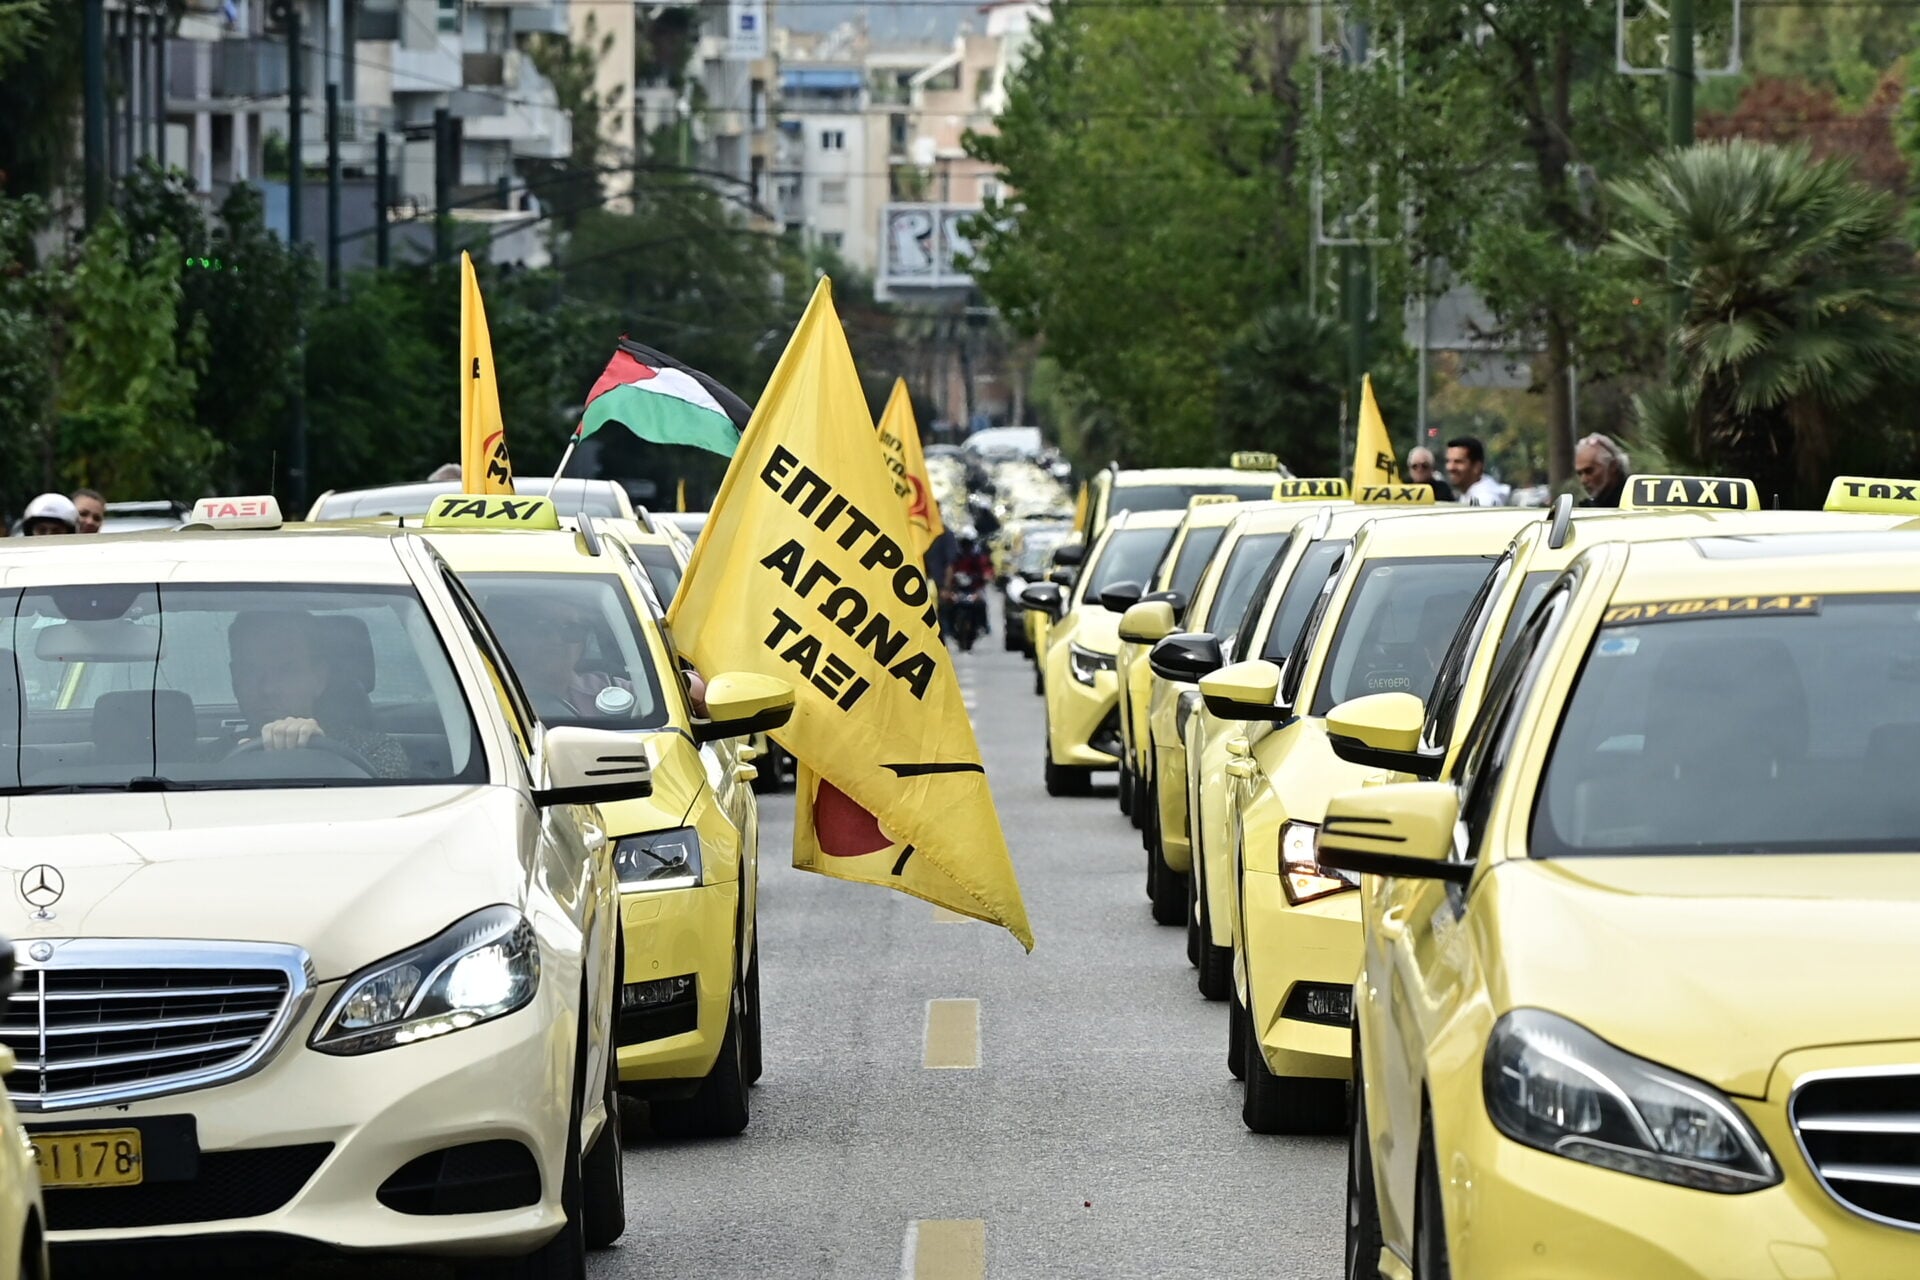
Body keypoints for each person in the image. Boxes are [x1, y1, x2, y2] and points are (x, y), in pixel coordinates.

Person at [227, 611, 410, 778]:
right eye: (250, 671)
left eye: (286, 671)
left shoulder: (375, 752)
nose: (267, 689)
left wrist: (323, 757)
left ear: (319, 679)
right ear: (235, 679)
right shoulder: (206, 763)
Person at [949, 528, 996, 638]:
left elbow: (986, 568)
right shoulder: (956, 556)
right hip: (959, 588)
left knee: (981, 603)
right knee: (948, 605)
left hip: (975, 586)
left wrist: (986, 576)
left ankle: (983, 625)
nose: (966, 546)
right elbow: (950, 569)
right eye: (964, 543)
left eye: (968, 544)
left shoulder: (978, 556)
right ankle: (949, 628)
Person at [1446, 435, 1509, 507]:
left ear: (1477, 466)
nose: (1450, 467)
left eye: (1458, 462)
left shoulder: (1484, 501)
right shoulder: (1469, 494)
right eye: (1448, 461)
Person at [1575, 433, 1630, 508]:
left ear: (1613, 466)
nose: (1583, 480)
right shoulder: (1591, 505)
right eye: (1579, 473)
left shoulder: (1633, 499)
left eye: (1589, 471)